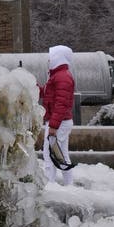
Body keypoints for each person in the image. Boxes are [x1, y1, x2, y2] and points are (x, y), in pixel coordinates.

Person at [39, 44, 75, 184]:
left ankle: (50, 185)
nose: (48, 60)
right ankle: (69, 185)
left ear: (57, 58)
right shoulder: (57, 75)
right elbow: (47, 94)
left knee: (49, 154)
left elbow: (61, 104)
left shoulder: (62, 77)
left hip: (58, 123)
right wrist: (31, 86)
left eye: (50, 57)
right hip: (60, 122)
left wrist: (53, 126)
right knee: (61, 155)